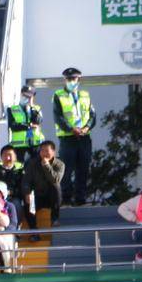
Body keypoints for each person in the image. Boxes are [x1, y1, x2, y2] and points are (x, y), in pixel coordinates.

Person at [53, 66, 94, 205]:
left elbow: (92, 115)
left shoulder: (85, 95)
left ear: (79, 80)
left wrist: (87, 127)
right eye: (69, 79)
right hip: (68, 138)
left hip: (84, 138)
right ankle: (65, 199)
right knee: (66, 170)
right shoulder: (58, 95)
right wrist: (71, 129)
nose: (71, 81)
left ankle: (80, 199)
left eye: (74, 79)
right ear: (65, 80)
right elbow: (58, 117)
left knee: (83, 169)